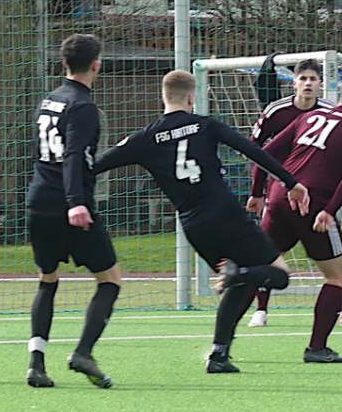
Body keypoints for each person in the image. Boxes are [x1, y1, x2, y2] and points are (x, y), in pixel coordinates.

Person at [93, 69, 309, 374]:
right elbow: (254, 152)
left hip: (194, 225)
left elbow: (98, 164)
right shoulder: (206, 126)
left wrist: (66, 181)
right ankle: (239, 274)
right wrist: (291, 182)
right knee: (278, 274)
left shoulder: (144, 138)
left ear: (163, 97)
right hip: (225, 213)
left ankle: (219, 354)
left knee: (239, 283)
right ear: (193, 97)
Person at [247, 77, 342, 363]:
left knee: (261, 266)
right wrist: (330, 210)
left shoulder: (310, 115)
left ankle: (221, 345)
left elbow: (264, 154)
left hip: (280, 200)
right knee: (337, 275)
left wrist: (260, 192)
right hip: (314, 205)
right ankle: (317, 348)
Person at [26, 34, 119, 388]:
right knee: (110, 279)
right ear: (96, 64)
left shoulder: (49, 100)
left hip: (39, 200)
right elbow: (74, 156)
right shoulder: (83, 106)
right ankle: (83, 352)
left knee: (47, 280)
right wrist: (76, 202)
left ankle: (36, 363)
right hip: (70, 204)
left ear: (65, 63)